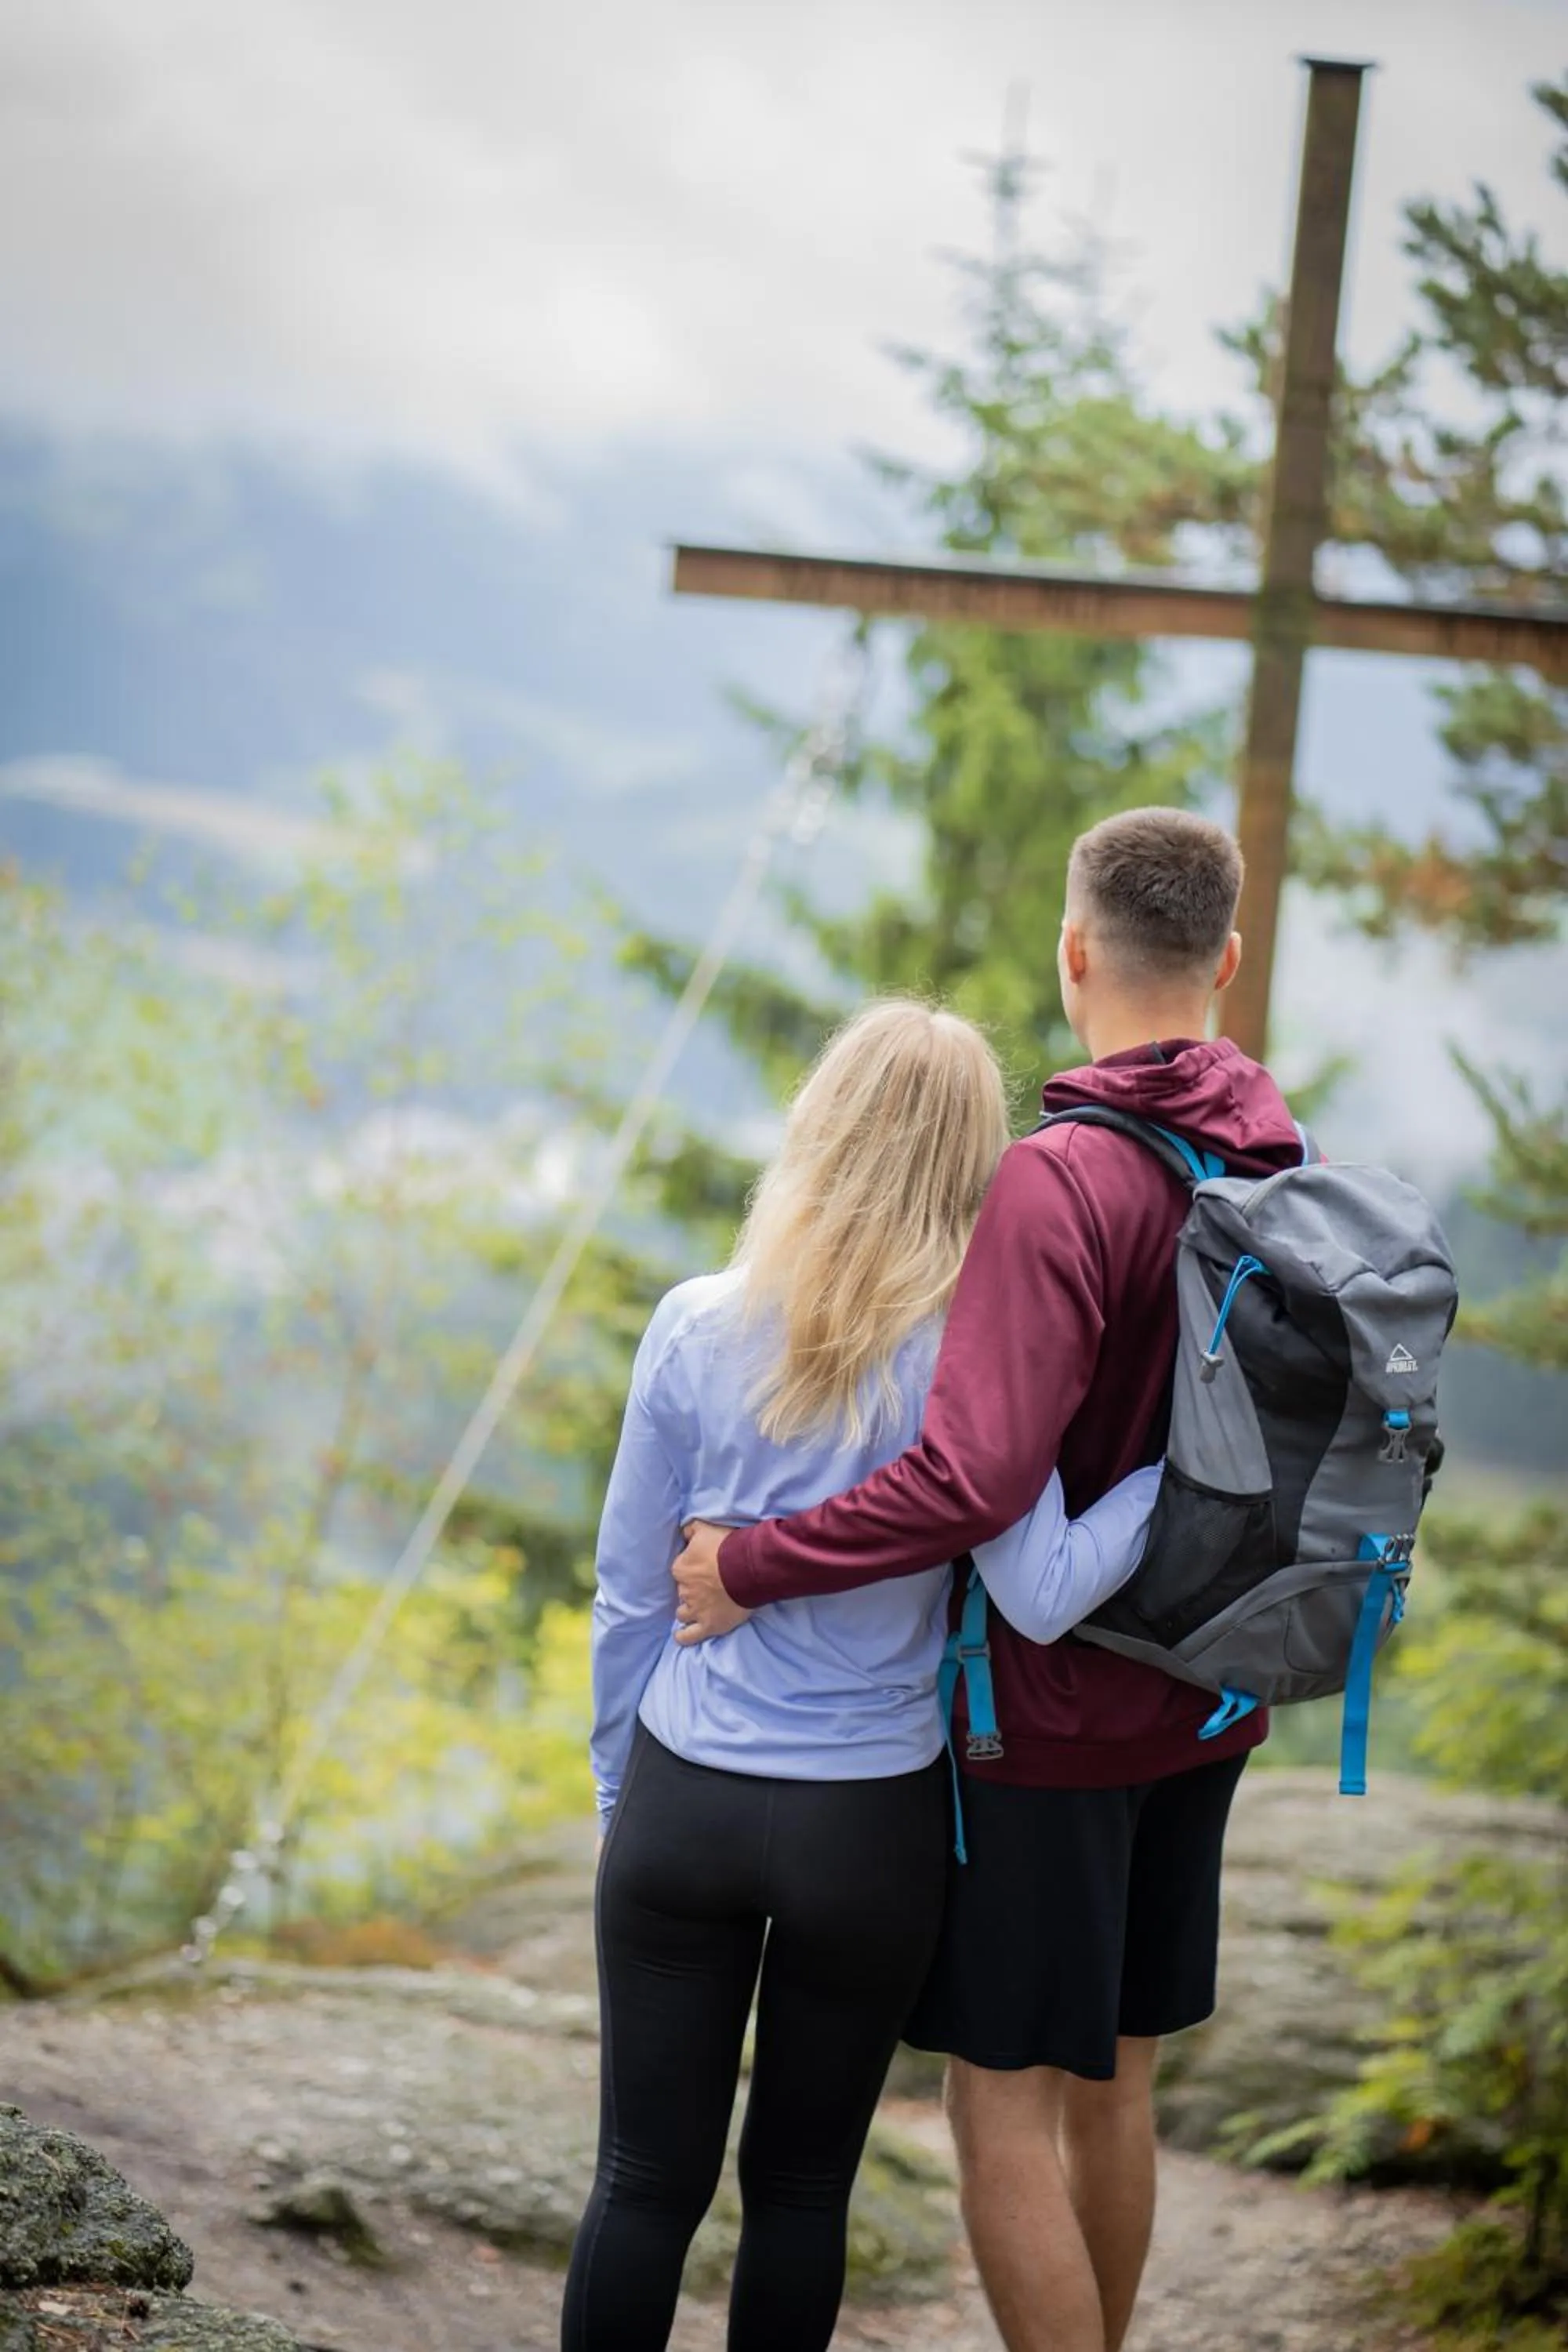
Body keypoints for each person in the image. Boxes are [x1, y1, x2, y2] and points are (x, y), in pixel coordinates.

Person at [672, 808, 1309, 2352]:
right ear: (1226, 958)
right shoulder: (1278, 1152)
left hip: (1054, 1727)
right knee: (1119, 2085)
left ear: (1072, 952)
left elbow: (972, 1482)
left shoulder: (1058, 1177)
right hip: (1209, 1697)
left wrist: (754, 1564)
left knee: (1000, 2108)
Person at [562, 999, 1162, 2352]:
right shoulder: (979, 1362)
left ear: (817, 1129)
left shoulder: (697, 1323)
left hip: (685, 1796)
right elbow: (1045, 1587)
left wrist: (616, 1791)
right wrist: (1173, 1481)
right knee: (801, 2193)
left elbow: (628, 1592)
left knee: (642, 2181)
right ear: (976, 1163)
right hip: (870, 1825)